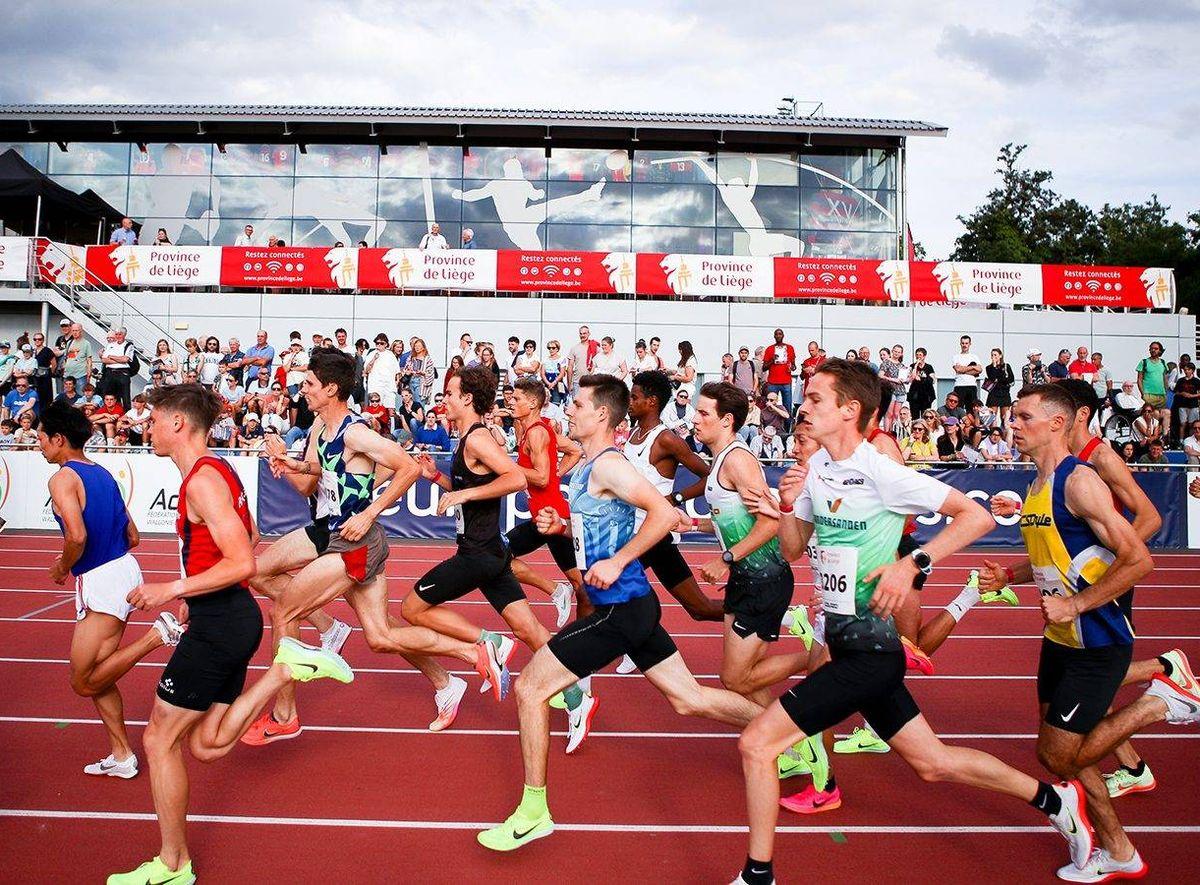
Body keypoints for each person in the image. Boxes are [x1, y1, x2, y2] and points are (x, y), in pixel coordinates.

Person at [735, 360, 1095, 885]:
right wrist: (787, 503)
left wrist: (914, 562)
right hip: (844, 641)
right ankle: (1055, 799)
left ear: (849, 410)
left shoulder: (881, 471)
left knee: (757, 743)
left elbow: (978, 517)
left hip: (872, 651)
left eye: (814, 399)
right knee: (932, 762)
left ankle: (757, 875)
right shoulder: (816, 471)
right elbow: (791, 548)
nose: (802, 407)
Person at [478, 374, 763, 852]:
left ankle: (533, 811)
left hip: (623, 609)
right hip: (633, 608)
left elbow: (664, 514)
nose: (570, 410)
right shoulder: (587, 467)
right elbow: (601, 526)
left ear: (601, 415)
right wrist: (562, 524)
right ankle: (790, 731)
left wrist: (619, 560)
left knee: (529, 687)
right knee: (689, 698)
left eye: (578, 404)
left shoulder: (609, 465)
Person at [106, 383, 352, 885]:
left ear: (177, 423)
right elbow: (251, 538)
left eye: (153, 419)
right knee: (209, 744)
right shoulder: (218, 471)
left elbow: (243, 560)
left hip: (220, 623)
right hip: (228, 618)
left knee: (157, 740)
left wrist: (170, 589)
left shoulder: (202, 481)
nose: (146, 427)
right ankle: (286, 667)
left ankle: (173, 864)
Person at [973, 382, 1160, 881]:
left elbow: (1139, 557)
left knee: (1056, 753)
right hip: (1060, 640)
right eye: (1012, 416)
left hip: (1098, 638)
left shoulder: (1079, 481)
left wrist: (1076, 603)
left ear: (1057, 423)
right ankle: (1119, 851)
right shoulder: (1036, 484)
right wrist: (1008, 576)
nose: (1013, 424)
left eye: (1023, 417)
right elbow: (1053, 556)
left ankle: (1160, 700)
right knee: (1067, 758)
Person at [265, 351, 499, 711]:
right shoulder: (322, 429)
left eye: (309, 384)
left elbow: (406, 466)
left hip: (354, 540)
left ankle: (284, 715)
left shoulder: (355, 432)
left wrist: (369, 513)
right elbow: (321, 472)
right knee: (380, 635)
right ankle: (470, 657)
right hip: (335, 531)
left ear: (330, 389)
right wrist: (292, 462)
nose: (303, 390)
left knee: (285, 610)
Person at [37, 401, 179, 780]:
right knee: (101, 675)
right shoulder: (101, 473)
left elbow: (77, 536)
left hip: (99, 578)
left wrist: (61, 567)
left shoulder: (63, 478)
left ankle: (156, 636)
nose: (39, 446)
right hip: (121, 570)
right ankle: (121, 755)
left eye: (41, 438)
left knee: (82, 680)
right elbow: (133, 536)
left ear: (58, 439)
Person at [401, 365, 554, 709]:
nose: (443, 400)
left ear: (468, 398)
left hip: (477, 554)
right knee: (529, 631)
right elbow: (472, 484)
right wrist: (437, 478)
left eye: (450, 394)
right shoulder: (468, 437)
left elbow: (515, 479)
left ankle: (489, 644)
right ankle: (577, 695)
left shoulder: (478, 438)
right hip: (493, 552)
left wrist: (461, 496)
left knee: (411, 608)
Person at [623, 370, 723, 642]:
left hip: (654, 535)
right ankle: (780, 616)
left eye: (635, 397)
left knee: (605, 588)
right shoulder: (633, 434)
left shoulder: (665, 439)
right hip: (635, 533)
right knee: (700, 609)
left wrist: (676, 498)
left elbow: (711, 477)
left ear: (652, 401)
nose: (629, 402)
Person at [504, 376, 587, 629]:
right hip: (545, 517)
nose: (511, 401)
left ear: (531, 403)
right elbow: (574, 450)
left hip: (553, 517)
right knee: (582, 587)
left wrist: (506, 466)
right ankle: (560, 596)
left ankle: (624, 635)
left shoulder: (538, 432)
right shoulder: (534, 429)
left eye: (516, 398)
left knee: (495, 554)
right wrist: (557, 473)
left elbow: (540, 478)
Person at [763, 329, 796, 425]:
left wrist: (792, 367)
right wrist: (772, 361)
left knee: (787, 406)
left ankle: (787, 429)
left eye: (780, 334)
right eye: (776, 334)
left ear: (783, 335)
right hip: (773, 382)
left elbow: (794, 365)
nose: (778, 336)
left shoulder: (790, 348)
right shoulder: (769, 349)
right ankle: (771, 427)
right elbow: (764, 368)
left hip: (786, 381)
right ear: (774, 336)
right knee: (770, 405)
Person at [1135, 341, 1169, 430]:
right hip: (1149, 394)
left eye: (1156, 348)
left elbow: (1165, 378)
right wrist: (1143, 393)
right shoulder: (1144, 362)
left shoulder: (1163, 362)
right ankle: (1154, 436)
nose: (1153, 350)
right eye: (1151, 348)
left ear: (1160, 351)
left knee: (1165, 414)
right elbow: (1139, 379)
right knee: (1155, 415)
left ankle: (1163, 437)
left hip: (1161, 395)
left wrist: (1166, 392)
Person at [985, 347, 1015, 429]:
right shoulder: (989, 368)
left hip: (1004, 393)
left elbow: (1010, 379)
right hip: (993, 393)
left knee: (1005, 416)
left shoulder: (1006, 366)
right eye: (992, 355)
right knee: (992, 416)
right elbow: (992, 378)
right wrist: (994, 366)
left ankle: (1004, 435)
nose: (993, 356)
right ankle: (992, 433)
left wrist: (999, 380)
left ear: (1000, 355)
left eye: (995, 355)